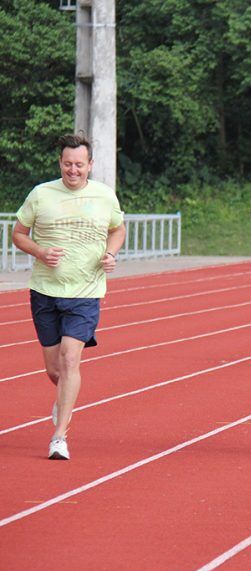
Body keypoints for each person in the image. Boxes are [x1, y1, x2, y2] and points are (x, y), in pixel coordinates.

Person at [12, 133, 126, 460]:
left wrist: (110, 253)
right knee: (54, 370)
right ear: (60, 163)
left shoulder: (105, 196)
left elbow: (118, 229)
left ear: (90, 165)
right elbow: (19, 233)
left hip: (86, 292)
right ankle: (62, 397)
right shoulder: (41, 195)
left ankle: (59, 436)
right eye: (67, 164)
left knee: (70, 358)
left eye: (79, 164)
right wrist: (40, 251)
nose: (73, 170)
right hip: (45, 292)